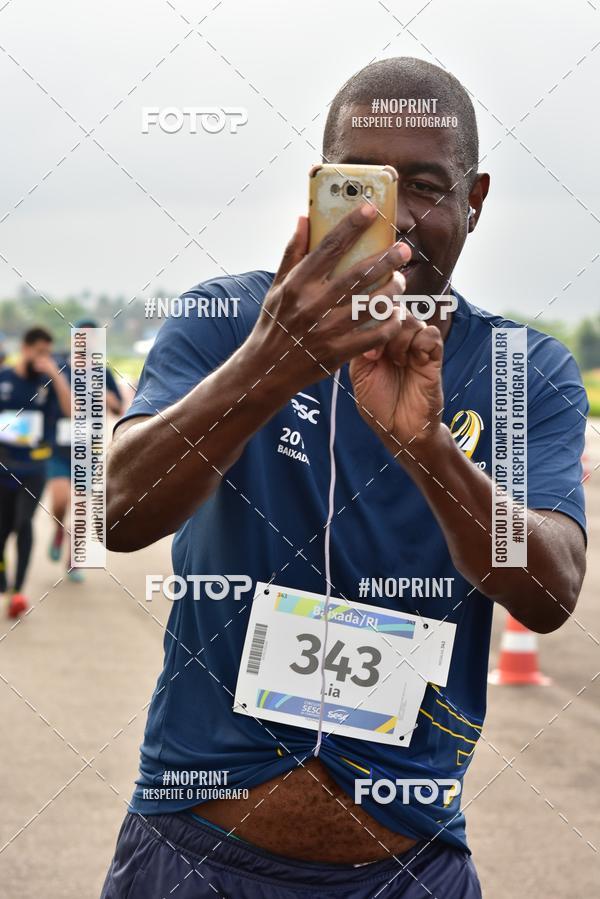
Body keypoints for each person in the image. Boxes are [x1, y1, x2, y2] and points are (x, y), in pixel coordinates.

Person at [102, 57, 587, 898]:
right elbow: (114, 512)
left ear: (475, 201)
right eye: (362, 184)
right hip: (193, 858)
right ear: (321, 187)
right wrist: (267, 366)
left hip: (406, 869)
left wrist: (430, 449)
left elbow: (550, 590)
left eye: (425, 186)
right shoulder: (228, 322)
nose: (391, 220)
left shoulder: (522, 368)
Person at [0, 326, 71, 617]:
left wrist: (56, 375)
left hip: (35, 468)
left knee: (24, 523)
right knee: (3, 529)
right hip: (4, 468)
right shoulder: (4, 378)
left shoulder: (48, 382)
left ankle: (18, 591)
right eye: (40, 353)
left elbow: (72, 411)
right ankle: (4, 575)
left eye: (48, 354)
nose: (44, 359)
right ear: (25, 349)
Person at [46, 320, 123, 581]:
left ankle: (74, 559)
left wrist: (108, 398)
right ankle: (59, 530)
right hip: (59, 447)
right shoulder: (59, 368)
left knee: (80, 506)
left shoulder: (104, 373)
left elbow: (119, 409)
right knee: (59, 502)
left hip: (89, 451)